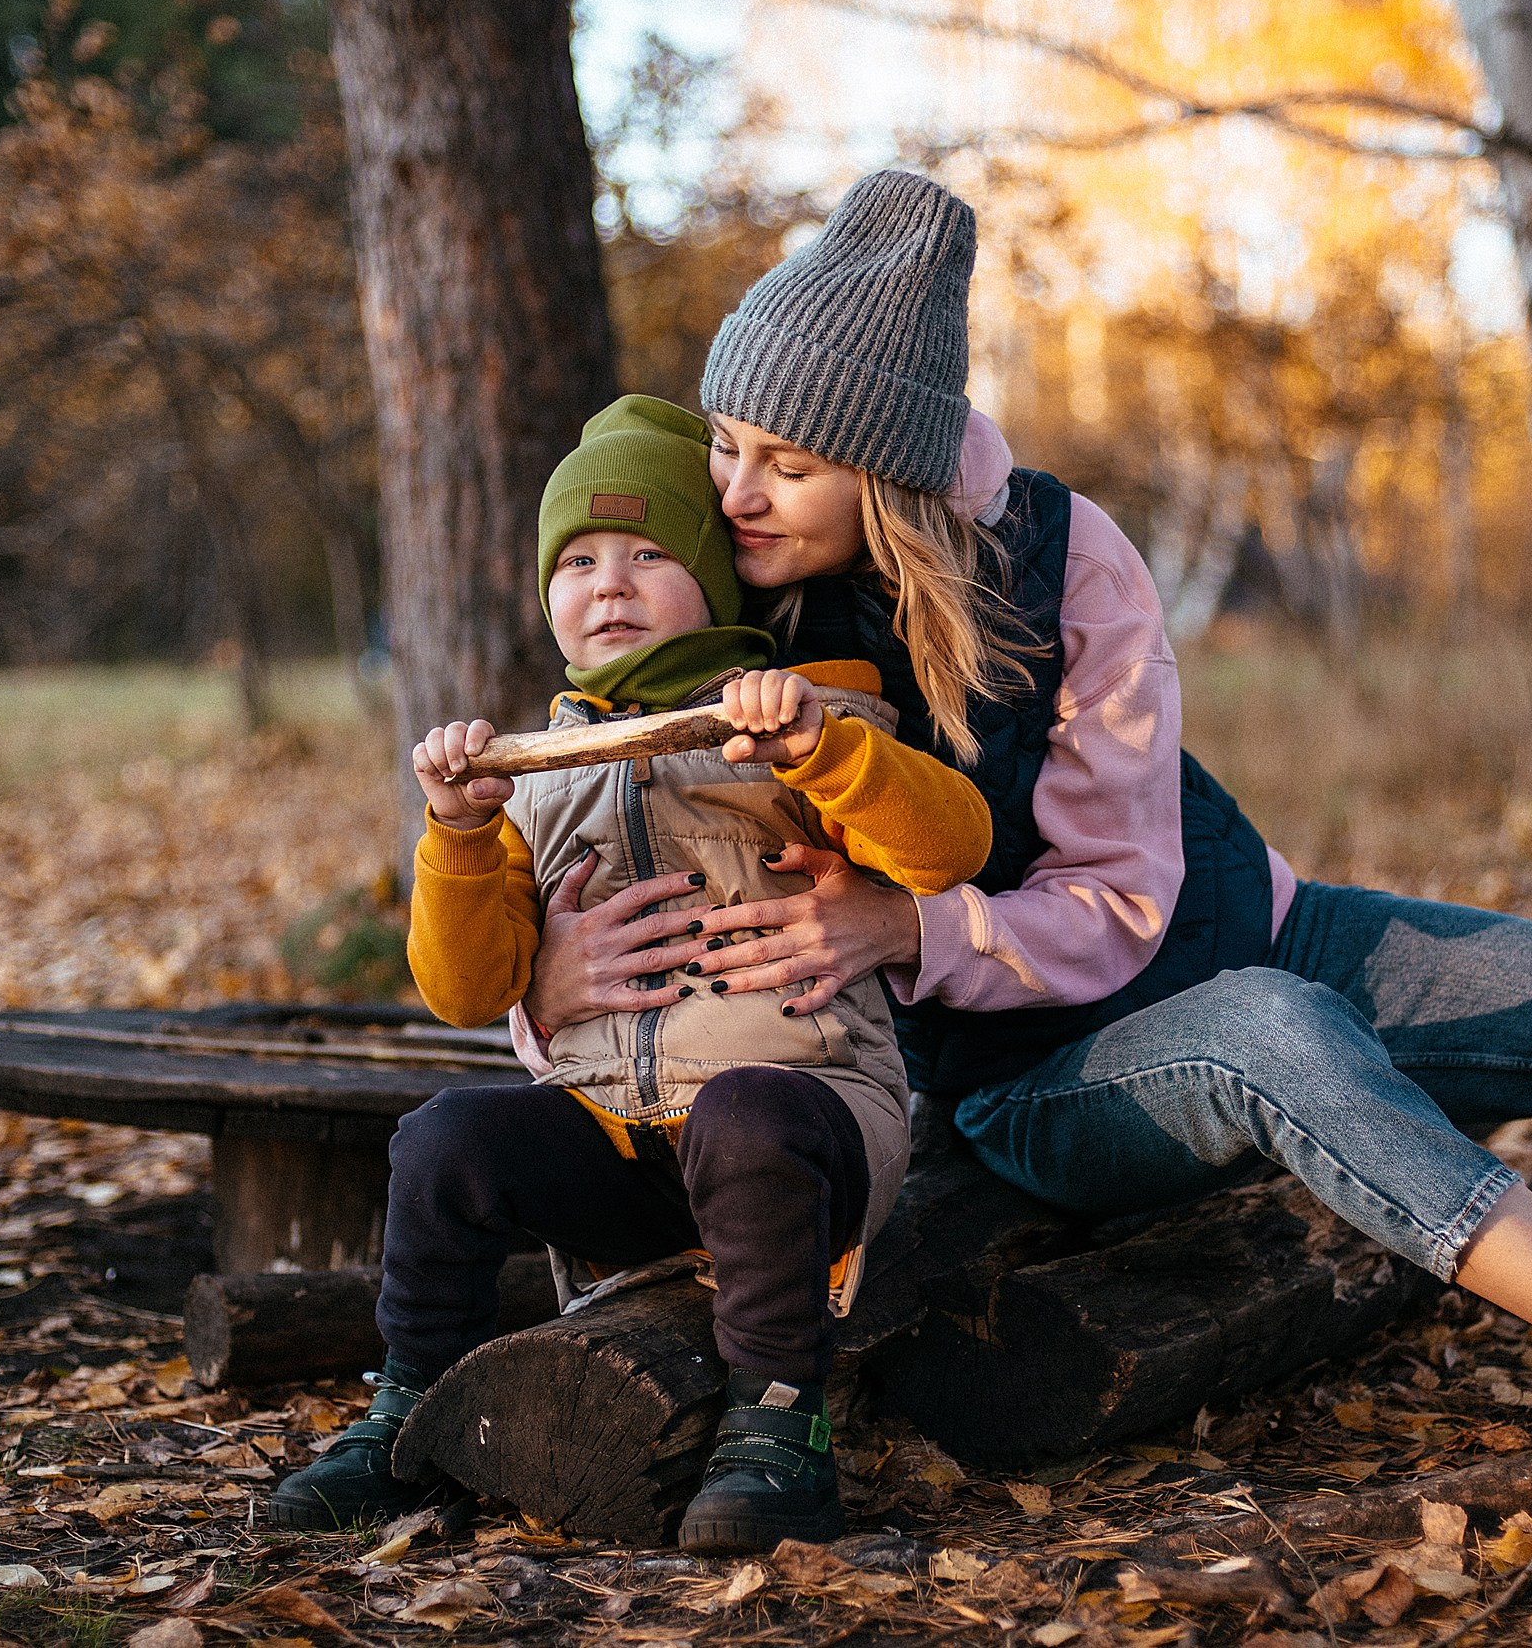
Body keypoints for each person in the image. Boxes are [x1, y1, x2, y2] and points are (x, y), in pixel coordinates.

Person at [517, 169, 1532, 1537]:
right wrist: (549, 986)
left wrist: (911, 923)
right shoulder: (711, 620)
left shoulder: (1066, 556)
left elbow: (1123, 891)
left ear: (883, 458)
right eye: (723, 445)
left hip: (1263, 924)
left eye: (783, 462)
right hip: (1033, 1078)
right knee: (1274, 1040)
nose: (734, 494)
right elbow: (582, 857)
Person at [267, 394, 990, 1549]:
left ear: (716, 576)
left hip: (803, 1125)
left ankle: (778, 1426)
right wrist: (458, 830)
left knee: (749, 1115)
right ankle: (409, 1409)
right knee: (444, 1139)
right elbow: (464, 989)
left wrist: (825, 750)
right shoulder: (530, 772)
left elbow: (951, 848)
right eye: (579, 560)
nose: (608, 582)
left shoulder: (811, 716)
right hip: (617, 1135)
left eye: (649, 553)